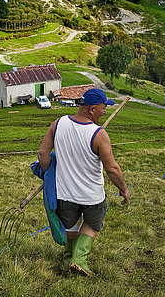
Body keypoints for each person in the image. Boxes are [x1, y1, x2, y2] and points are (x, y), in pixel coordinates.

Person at [37, 88, 130, 277]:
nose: (105, 111)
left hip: (65, 194)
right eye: (103, 108)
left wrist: (49, 174)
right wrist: (124, 189)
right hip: (92, 196)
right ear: (92, 109)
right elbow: (112, 169)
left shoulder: (58, 124)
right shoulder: (99, 134)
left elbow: (42, 154)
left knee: (70, 226)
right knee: (93, 224)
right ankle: (79, 260)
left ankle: (67, 259)